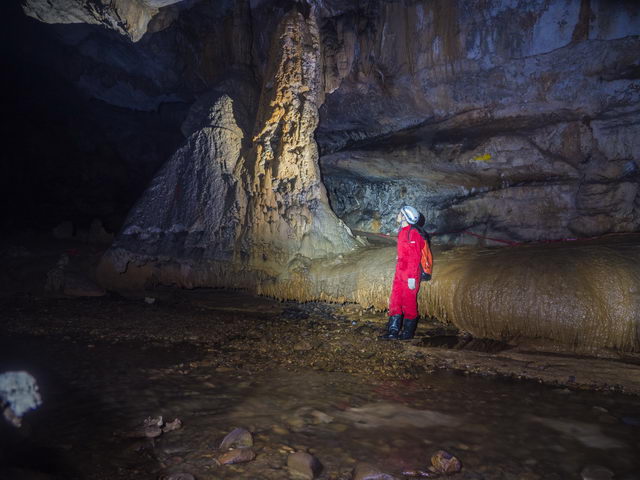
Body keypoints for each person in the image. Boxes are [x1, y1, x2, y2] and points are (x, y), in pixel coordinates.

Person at [380, 205, 432, 340]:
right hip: (400, 272)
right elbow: (406, 251)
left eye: (400, 213)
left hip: (410, 274)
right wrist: (400, 257)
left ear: (405, 217)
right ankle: (393, 331)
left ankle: (408, 333)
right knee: (395, 301)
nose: (397, 215)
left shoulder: (413, 233)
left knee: (409, 303)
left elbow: (415, 258)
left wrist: (411, 278)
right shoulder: (403, 231)